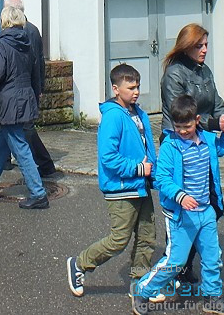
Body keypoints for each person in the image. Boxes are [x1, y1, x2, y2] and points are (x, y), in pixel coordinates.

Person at [131, 95, 224, 315]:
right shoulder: (171, 146)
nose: (182, 131)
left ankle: (212, 297)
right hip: (181, 214)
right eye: (178, 127)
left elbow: (222, 149)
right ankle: (143, 290)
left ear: (197, 120)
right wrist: (180, 196)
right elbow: (161, 179)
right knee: (175, 261)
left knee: (212, 257)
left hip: (205, 211)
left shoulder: (207, 140)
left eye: (187, 126)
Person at [66, 63, 156, 300]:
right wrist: (138, 169)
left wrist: (153, 174)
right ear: (116, 89)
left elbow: (148, 148)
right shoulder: (113, 117)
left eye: (138, 87)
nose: (136, 92)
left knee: (147, 237)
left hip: (141, 186)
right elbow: (108, 158)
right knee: (119, 240)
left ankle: (140, 284)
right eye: (131, 88)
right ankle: (79, 263)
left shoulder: (139, 114)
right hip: (122, 188)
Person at [159, 23, 224, 283]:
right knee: (182, 204)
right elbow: (181, 115)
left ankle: (187, 263)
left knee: (204, 199)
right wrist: (215, 125)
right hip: (178, 137)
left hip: (200, 140)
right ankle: (175, 263)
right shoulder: (174, 74)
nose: (204, 50)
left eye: (206, 45)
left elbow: (217, 104)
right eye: (199, 46)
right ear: (186, 46)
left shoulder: (205, 72)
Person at [0, 5, 49, 209]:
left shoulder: (2, 42)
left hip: (9, 100)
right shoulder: (27, 41)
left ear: (4, 21)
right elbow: (35, 72)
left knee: (21, 148)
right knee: (2, 145)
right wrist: (35, 94)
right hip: (25, 97)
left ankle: (38, 192)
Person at [7, 0, 56, 176]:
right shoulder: (21, 30)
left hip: (23, 90)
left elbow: (36, 63)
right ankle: (2, 160)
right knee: (8, 126)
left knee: (26, 128)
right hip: (18, 89)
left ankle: (45, 164)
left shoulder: (29, 31)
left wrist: (39, 88)